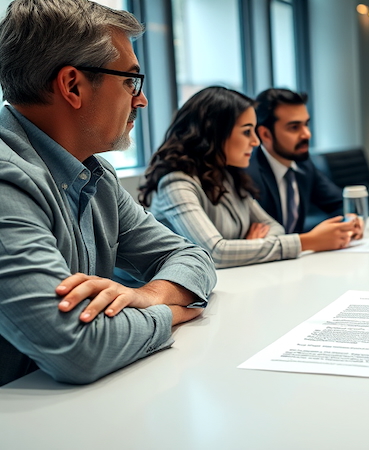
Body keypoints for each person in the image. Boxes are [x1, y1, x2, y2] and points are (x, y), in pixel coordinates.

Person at [0, 0, 216, 386]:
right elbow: (78, 349)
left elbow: (188, 254)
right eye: (130, 81)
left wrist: (150, 294)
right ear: (72, 85)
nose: (142, 99)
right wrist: (168, 313)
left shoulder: (95, 174)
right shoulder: (6, 179)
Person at [140, 87, 355, 269]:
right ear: (215, 134)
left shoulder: (227, 175)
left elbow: (275, 227)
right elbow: (215, 252)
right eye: (246, 132)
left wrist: (245, 248)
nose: (255, 141)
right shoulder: (176, 183)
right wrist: (307, 241)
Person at [246, 88, 362, 237]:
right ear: (265, 134)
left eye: (306, 124)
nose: (307, 134)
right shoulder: (248, 173)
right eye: (294, 127)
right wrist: (313, 240)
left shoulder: (303, 164)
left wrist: (352, 220)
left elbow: (340, 203)